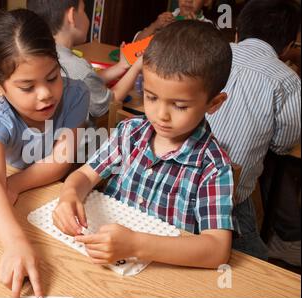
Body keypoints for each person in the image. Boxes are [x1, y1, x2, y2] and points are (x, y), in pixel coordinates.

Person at [53, 20, 235, 269]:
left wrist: (136, 245)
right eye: (151, 97)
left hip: (161, 274)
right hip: (105, 263)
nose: (161, 114)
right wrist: (69, 195)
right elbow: (84, 174)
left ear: (214, 103)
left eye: (180, 105)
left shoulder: (212, 166)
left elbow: (216, 249)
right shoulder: (130, 133)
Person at [0, 9, 90, 298]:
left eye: (52, 78)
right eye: (27, 87)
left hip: (59, 189)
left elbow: (58, 163)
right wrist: (15, 242)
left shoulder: (76, 95)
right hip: (27, 196)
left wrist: (12, 184)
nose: (45, 94)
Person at [206, 0, 301, 261]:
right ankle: (286, 240)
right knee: (255, 258)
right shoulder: (287, 80)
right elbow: (284, 143)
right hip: (229, 193)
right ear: (288, 47)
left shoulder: (210, 51)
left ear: (237, 32)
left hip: (181, 178)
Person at [27, 0, 143, 125]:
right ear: (72, 16)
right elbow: (109, 102)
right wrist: (136, 68)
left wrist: (121, 66)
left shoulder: (39, 55)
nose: (87, 17)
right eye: (84, 10)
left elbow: (88, 82)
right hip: (83, 142)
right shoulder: (77, 67)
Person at [135, 0, 213, 41]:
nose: (188, 0)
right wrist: (154, 26)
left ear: (207, 1)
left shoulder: (208, 28)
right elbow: (135, 43)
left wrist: (192, 32)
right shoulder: (166, 19)